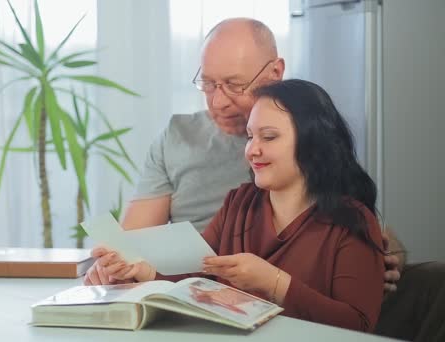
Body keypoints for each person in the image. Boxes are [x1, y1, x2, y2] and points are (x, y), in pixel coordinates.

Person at [111, 17, 402, 291]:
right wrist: (122, 266)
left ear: (275, 72)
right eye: (208, 84)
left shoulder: (307, 136)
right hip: (196, 287)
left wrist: (382, 258)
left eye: (236, 85)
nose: (219, 101)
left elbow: (362, 221)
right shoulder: (178, 137)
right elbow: (133, 243)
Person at [87, 79, 386, 332]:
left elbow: (358, 325)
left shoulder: (351, 220)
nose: (253, 150)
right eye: (250, 136)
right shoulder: (239, 203)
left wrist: (275, 283)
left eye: (268, 137)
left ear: (314, 142)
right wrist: (140, 271)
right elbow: (196, 276)